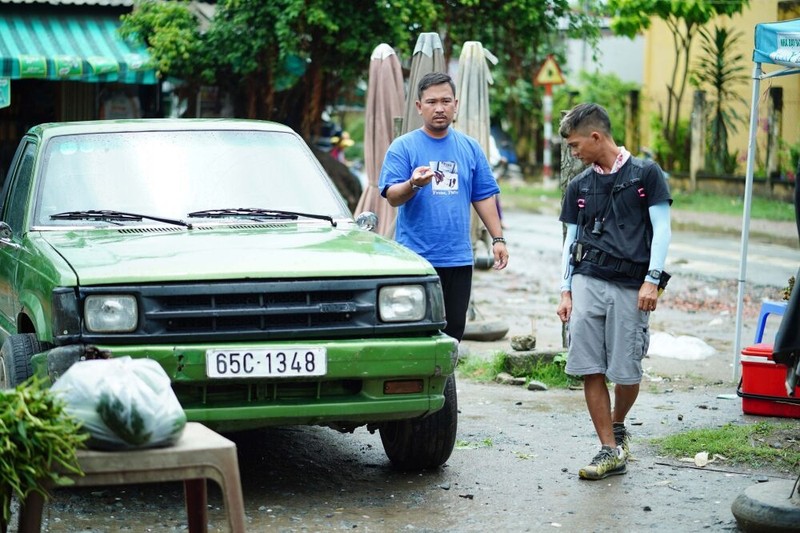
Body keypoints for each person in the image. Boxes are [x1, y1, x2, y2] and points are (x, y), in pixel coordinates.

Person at [556, 103, 672, 480]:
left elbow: (663, 229)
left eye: (576, 145)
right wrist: (565, 290)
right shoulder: (579, 185)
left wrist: (652, 279)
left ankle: (618, 422)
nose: (573, 153)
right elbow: (570, 242)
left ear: (596, 137)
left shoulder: (646, 175)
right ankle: (608, 448)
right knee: (590, 365)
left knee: (626, 371)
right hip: (588, 278)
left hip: (631, 285)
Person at [379, 72, 508, 342]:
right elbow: (392, 196)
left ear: (456, 104)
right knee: (416, 332)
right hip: (416, 259)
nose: (439, 108)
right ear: (419, 107)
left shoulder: (470, 148)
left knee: (453, 333)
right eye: (432, 102)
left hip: (458, 258)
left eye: (446, 101)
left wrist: (498, 238)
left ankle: (447, 385)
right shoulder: (403, 147)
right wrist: (413, 184)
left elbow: (483, 196)